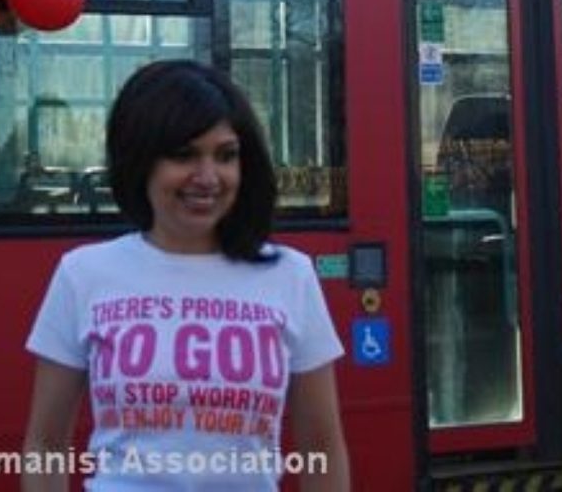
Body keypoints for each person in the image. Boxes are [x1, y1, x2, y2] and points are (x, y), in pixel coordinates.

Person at [22, 60, 349, 491]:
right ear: (141, 161)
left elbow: (322, 448)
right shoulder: (82, 275)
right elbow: (46, 445)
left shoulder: (292, 276)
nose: (208, 178)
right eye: (184, 155)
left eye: (226, 155)